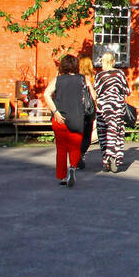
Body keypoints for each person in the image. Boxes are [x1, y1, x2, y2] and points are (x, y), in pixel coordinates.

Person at [43, 53, 93, 186]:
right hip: (77, 117)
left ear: (63, 66)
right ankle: (73, 167)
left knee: (61, 148)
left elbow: (46, 94)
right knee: (75, 147)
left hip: (60, 118)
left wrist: (55, 111)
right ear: (76, 66)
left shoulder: (57, 80)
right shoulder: (84, 79)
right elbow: (93, 97)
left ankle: (63, 177)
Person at [93, 50, 130, 173]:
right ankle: (114, 157)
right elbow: (126, 90)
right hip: (116, 106)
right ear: (113, 61)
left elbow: (96, 92)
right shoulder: (120, 74)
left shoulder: (99, 76)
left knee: (103, 132)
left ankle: (106, 159)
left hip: (102, 107)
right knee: (116, 131)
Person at [77, 54, 98, 169]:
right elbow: (94, 96)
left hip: (75, 110)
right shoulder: (91, 78)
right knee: (87, 135)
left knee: (77, 134)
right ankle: (80, 154)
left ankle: (76, 154)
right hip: (88, 111)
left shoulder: (74, 77)